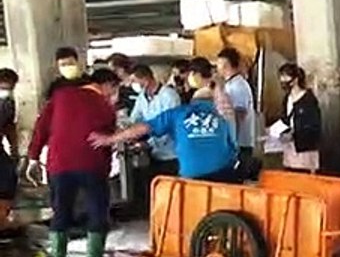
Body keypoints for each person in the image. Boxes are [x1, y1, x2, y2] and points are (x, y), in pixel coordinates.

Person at [28, 69, 120, 257]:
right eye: (113, 89)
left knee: (61, 212)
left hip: (59, 165)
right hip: (92, 165)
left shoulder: (60, 96)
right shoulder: (105, 105)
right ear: (104, 85)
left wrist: (33, 157)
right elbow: (106, 140)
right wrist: (104, 171)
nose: (112, 94)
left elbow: (41, 127)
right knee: (97, 212)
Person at [90, 65, 240, 185]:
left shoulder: (177, 113)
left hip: (192, 177)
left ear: (191, 100)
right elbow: (233, 143)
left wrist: (109, 139)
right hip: (225, 176)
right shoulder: (224, 114)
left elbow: (142, 127)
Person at [128, 64, 182, 176]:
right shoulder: (142, 97)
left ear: (146, 79)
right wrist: (127, 132)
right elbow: (135, 118)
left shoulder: (169, 96)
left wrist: (148, 143)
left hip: (170, 154)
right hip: (153, 154)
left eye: (135, 81)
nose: (133, 85)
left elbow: (169, 125)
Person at [277, 63, 321, 173]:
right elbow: (285, 120)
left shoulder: (308, 100)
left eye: (285, 77)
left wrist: (296, 134)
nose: (282, 80)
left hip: (304, 150)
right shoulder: (287, 99)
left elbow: (314, 125)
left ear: (295, 79)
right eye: (281, 77)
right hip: (289, 149)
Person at [216, 47, 257, 162]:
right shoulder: (230, 84)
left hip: (241, 143)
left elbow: (240, 114)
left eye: (218, 64)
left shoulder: (238, 86)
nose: (217, 68)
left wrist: (232, 140)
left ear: (226, 65)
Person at [0, 69, 19, 228]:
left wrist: (14, 149)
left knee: (9, 176)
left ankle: (3, 215)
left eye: (10, 87)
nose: (7, 91)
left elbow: (9, 126)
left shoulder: (8, 103)